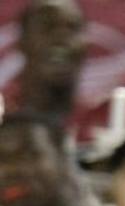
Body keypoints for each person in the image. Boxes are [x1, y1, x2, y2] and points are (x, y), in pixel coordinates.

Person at [0, 0, 87, 128]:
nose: (61, 37)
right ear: (22, 42)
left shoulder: (106, 117)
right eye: (47, 26)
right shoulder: (3, 114)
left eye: (72, 28)